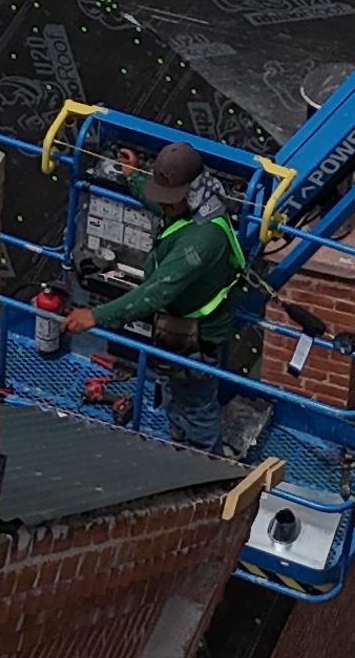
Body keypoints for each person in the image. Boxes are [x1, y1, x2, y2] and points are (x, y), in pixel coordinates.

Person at [62, 142, 253, 450]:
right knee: (174, 389)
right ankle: (179, 442)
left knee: (196, 404)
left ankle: (208, 468)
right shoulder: (199, 203)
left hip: (197, 338)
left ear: (189, 194)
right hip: (178, 326)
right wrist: (133, 176)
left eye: (170, 199)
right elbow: (158, 205)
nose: (163, 205)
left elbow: (153, 293)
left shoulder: (202, 241)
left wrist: (95, 316)